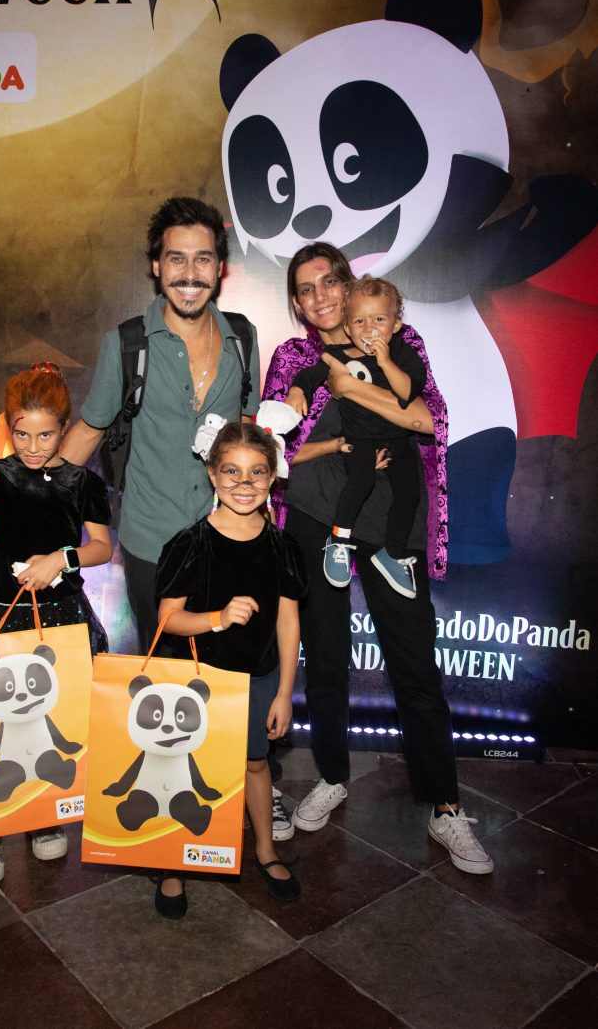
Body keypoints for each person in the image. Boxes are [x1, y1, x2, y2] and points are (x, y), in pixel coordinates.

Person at [263, 243, 494, 875]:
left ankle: (446, 806)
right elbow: (275, 447)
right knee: (326, 657)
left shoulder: (397, 339)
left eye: (328, 281)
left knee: (414, 662)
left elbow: (429, 420)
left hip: (393, 520)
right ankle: (332, 776)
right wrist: (331, 405)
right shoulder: (294, 358)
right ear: (297, 303)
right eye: (305, 288)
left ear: (348, 284)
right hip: (317, 518)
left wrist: (349, 387)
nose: (320, 296)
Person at [0, 362, 113, 884]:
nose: (33, 447)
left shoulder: (83, 481)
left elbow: (102, 547)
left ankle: (42, 818)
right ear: (7, 427)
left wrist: (62, 558)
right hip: (6, 616)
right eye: (22, 434)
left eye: (45, 435)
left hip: (63, 618)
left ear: (64, 428)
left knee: (52, 722)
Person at [60, 197, 260, 654]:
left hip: (227, 537)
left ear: (220, 268)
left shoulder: (243, 339)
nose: (190, 273)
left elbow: (248, 431)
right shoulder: (126, 343)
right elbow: (89, 430)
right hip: (151, 541)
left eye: (202, 258)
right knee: (162, 668)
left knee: (224, 664)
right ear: (156, 266)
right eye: (176, 258)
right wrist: (31, 492)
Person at [154, 421, 306, 917]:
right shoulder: (190, 544)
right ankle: (173, 862)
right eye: (231, 471)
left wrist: (284, 691)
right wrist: (217, 618)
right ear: (212, 475)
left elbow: (288, 621)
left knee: (255, 763)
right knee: (185, 768)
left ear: (272, 478)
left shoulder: (282, 546)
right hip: (198, 683)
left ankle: (264, 850)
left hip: (259, 679)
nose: (244, 483)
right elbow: (168, 620)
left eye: (257, 472)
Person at [286, 275, 427, 599]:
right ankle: (339, 540)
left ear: (395, 324)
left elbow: (407, 392)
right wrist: (297, 390)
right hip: (359, 439)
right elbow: (311, 374)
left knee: (409, 495)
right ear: (348, 327)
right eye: (360, 321)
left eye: (379, 320)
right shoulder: (338, 355)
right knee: (360, 481)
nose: (369, 328)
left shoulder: (403, 354)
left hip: (398, 441)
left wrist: (385, 361)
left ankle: (392, 554)